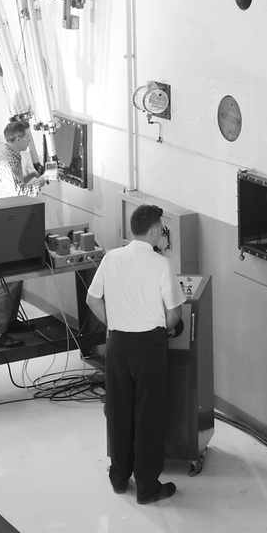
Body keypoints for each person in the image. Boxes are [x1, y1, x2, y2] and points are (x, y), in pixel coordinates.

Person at [85, 204, 183, 504]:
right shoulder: (161, 265)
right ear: (154, 230)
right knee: (148, 415)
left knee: (118, 411)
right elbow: (175, 315)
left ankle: (118, 476)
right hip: (149, 347)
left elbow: (92, 299)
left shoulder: (112, 257)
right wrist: (163, 329)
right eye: (161, 230)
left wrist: (113, 322)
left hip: (117, 346)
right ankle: (147, 487)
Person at [0, 118, 50, 348]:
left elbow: (17, 184)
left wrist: (33, 175)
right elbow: (19, 193)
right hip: (6, 228)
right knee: (6, 280)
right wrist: (42, 181)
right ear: (18, 138)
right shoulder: (7, 161)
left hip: (12, 224)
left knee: (16, 275)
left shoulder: (10, 157)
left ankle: (8, 322)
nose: (29, 142)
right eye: (28, 138)